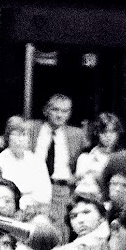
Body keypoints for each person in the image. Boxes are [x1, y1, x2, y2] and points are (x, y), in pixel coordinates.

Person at [31, 93, 85, 228]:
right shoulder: (32, 128)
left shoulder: (77, 135)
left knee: (59, 231)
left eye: (65, 111)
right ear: (46, 110)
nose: (60, 115)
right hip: (34, 186)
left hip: (61, 189)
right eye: (55, 110)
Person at [0, 116, 52, 212]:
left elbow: (45, 194)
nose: (19, 139)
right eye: (15, 135)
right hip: (6, 211)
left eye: (24, 135)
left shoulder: (37, 161)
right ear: (7, 137)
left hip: (34, 211)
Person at [75, 112, 124, 187]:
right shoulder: (86, 158)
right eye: (104, 132)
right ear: (97, 133)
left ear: (117, 133)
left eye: (112, 131)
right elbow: (79, 184)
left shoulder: (121, 159)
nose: (108, 136)